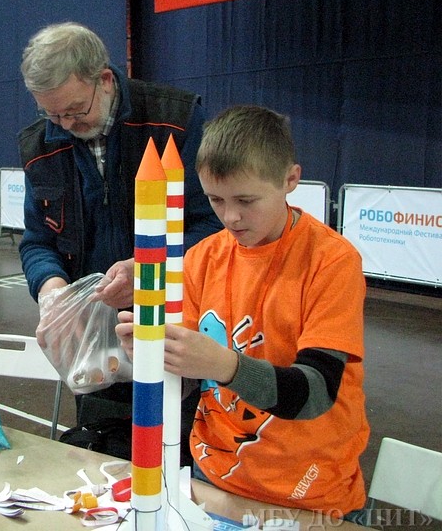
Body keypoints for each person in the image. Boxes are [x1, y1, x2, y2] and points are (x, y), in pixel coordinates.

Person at [116, 105, 369, 517]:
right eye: (215, 200)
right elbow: (184, 381)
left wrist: (224, 365)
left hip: (310, 495)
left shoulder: (331, 261)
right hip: (213, 480)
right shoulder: (202, 258)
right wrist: (154, 354)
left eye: (246, 200)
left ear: (290, 180)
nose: (230, 217)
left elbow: (316, 392)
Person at [18, 22, 222, 453]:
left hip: (178, 335)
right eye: (51, 114)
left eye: (75, 110)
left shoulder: (176, 122)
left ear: (105, 80)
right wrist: (54, 294)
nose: (65, 124)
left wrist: (149, 269)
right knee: (104, 461)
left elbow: (214, 226)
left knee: (176, 456)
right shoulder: (41, 147)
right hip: (94, 349)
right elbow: (37, 241)